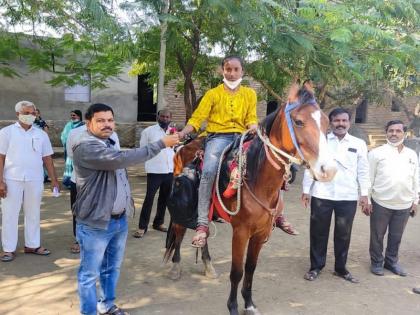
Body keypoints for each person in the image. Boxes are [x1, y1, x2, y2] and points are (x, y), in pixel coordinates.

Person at [72, 103, 179, 315]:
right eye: (100, 120)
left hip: (118, 221)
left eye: (110, 120)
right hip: (95, 223)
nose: (107, 124)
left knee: (111, 269)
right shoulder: (86, 147)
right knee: (89, 274)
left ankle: (107, 305)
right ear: (88, 123)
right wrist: (160, 144)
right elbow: (122, 160)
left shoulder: (109, 142)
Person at [178, 55, 258, 247]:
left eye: (236, 69)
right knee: (208, 171)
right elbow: (197, 119)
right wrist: (183, 132)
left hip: (243, 136)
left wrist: (254, 127)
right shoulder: (212, 94)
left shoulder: (250, 94)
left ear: (242, 72)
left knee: (267, 163)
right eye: (228, 69)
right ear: (222, 71)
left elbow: (251, 117)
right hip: (218, 137)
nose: (231, 73)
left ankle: (276, 214)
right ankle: (202, 223)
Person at [301, 107, 370, 283]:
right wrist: (306, 190)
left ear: (349, 122)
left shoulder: (358, 144)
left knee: (343, 234)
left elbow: (363, 171)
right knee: (318, 233)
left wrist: (364, 194)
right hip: (322, 195)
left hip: (347, 196)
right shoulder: (320, 141)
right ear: (330, 123)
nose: (341, 124)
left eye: (344, 120)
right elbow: (311, 166)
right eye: (337, 120)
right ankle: (316, 267)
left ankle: (341, 268)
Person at [0, 100, 59, 262]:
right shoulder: (6, 132)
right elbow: (1, 157)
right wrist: (0, 181)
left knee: (33, 213)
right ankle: (8, 249)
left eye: (33, 113)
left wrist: (54, 179)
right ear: (18, 114)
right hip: (11, 179)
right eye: (26, 113)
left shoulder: (40, 134)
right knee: (9, 214)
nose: (30, 116)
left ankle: (32, 245)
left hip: (35, 179)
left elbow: (47, 158)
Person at [364, 120, 418, 276]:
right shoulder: (376, 153)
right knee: (377, 235)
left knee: (396, 236)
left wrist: (415, 201)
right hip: (381, 202)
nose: (394, 134)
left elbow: (416, 178)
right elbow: (369, 178)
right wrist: (367, 200)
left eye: (398, 131)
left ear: (405, 133)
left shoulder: (412, 154)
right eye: (391, 131)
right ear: (386, 132)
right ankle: (376, 263)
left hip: (404, 204)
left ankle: (391, 262)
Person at [132, 109, 175, 238]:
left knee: (165, 198)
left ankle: (158, 223)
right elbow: (143, 150)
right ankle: (142, 227)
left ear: (170, 118)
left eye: (167, 117)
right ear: (158, 117)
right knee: (149, 199)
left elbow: (175, 148)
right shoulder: (148, 131)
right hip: (155, 170)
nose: (165, 119)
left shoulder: (173, 131)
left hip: (169, 170)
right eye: (162, 116)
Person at [61, 110, 84, 187]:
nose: (72, 117)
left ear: (79, 116)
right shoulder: (68, 125)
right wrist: (67, 142)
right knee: (69, 165)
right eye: (71, 115)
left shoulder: (83, 125)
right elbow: (63, 135)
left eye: (74, 115)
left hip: (79, 149)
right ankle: (68, 182)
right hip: (69, 149)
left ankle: (76, 182)